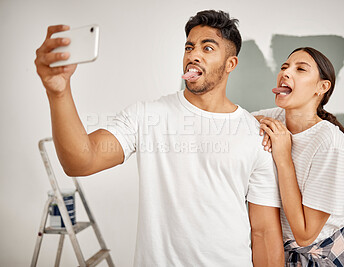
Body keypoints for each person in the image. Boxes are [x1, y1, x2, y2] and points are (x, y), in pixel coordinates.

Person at [35, 10, 284, 266]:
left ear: (230, 64)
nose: (193, 55)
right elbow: (81, 161)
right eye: (189, 47)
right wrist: (59, 92)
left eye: (207, 48)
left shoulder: (255, 135)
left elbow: (264, 232)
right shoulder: (146, 116)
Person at [253, 47, 344, 266]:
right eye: (285, 67)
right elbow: (235, 121)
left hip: (325, 258)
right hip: (280, 255)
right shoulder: (274, 118)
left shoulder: (329, 141)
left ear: (322, 87)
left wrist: (283, 156)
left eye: (300, 69)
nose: (286, 72)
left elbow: (305, 235)